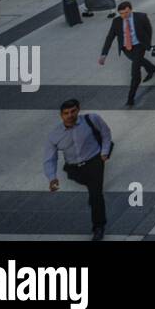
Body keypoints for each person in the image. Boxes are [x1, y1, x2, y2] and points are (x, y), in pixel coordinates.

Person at [44, 98, 113, 240]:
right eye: (66, 113)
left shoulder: (92, 119)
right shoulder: (55, 135)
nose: (70, 115)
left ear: (78, 110)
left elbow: (106, 133)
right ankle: (93, 196)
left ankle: (98, 226)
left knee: (96, 194)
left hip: (94, 161)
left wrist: (104, 152)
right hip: (73, 167)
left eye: (73, 111)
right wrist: (52, 177)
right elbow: (49, 158)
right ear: (61, 115)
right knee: (90, 188)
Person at [99, 1, 155, 107]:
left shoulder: (141, 17)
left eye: (126, 12)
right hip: (126, 48)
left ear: (131, 9)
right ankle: (151, 68)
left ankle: (130, 98)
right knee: (138, 60)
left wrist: (147, 44)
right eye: (121, 13)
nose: (124, 15)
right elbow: (110, 37)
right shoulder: (116, 21)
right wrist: (104, 54)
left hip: (139, 46)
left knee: (135, 72)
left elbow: (148, 30)